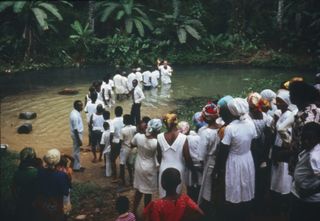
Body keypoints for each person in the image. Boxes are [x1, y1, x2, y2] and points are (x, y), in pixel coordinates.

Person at [221, 98, 257, 221]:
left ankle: (234, 214)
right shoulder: (250, 124)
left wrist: (220, 167)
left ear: (231, 111)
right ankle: (246, 213)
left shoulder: (230, 128)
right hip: (247, 157)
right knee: (246, 184)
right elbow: (255, 141)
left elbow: (224, 149)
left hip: (234, 159)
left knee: (234, 185)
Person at [157, 113, 194, 198]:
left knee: (164, 196)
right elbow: (187, 157)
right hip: (178, 170)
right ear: (176, 122)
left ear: (165, 123)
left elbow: (159, 156)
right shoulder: (183, 138)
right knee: (175, 195)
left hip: (164, 168)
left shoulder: (159, 137)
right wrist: (193, 170)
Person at [289, 122, 320, 221]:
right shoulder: (310, 147)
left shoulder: (315, 157)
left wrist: (310, 192)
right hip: (298, 193)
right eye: (304, 138)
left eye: (310, 139)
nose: (306, 141)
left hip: (309, 199)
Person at [269, 89, 294, 215]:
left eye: (279, 102)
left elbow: (288, 138)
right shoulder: (281, 114)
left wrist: (281, 152)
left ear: (286, 103)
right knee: (278, 178)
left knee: (283, 179)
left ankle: (282, 205)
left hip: (283, 151)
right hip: (278, 148)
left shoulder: (289, 116)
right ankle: (278, 202)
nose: (277, 104)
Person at [132, 119, 162, 215]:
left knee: (139, 190)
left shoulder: (138, 137)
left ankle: (134, 210)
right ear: (158, 130)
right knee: (148, 193)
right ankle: (146, 213)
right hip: (150, 168)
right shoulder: (156, 142)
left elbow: (132, 144)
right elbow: (160, 156)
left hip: (139, 166)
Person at [289, 81, 320, 174]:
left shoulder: (305, 117)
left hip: (306, 163)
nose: (290, 96)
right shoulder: (315, 110)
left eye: (291, 94)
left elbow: (305, 144)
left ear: (298, 97)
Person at [34, 149, 70, 221]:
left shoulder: (40, 172)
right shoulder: (62, 175)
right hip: (57, 206)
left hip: (43, 205)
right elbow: (66, 192)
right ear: (58, 161)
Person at [197, 103, 221, 211]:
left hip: (209, 161)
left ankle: (208, 211)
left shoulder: (204, 133)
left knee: (207, 189)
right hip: (220, 160)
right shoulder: (222, 129)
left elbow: (201, 155)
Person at [177, 121, 202, 202]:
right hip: (199, 166)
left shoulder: (182, 140)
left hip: (190, 167)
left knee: (190, 189)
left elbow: (185, 157)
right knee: (199, 188)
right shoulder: (198, 137)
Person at [12, 147, 38, 221]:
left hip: (21, 199)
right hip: (33, 201)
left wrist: (16, 199)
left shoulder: (17, 172)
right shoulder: (36, 172)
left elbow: (13, 189)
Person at [119, 114, 136, 186]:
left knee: (122, 164)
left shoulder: (122, 130)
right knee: (130, 164)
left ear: (125, 121)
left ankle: (123, 181)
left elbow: (121, 141)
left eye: (123, 119)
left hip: (125, 147)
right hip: (133, 148)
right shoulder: (134, 128)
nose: (123, 120)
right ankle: (131, 179)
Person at [70, 100, 85, 172]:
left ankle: (76, 165)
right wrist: (79, 139)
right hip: (77, 134)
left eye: (82, 105)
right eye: (80, 105)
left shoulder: (75, 112)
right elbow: (75, 129)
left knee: (76, 150)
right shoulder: (75, 115)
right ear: (76, 106)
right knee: (77, 151)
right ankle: (76, 167)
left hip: (77, 133)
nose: (82, 107)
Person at [111, 106, 125, 181]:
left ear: (115, 112)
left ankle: (114, 176)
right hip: (123, 142)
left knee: (112, 159)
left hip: (115, 142)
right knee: (122, 160)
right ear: (122, 112)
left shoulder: (113, 121)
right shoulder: (124, 120)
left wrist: (110, 143)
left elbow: (111, 133)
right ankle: (121, 176)